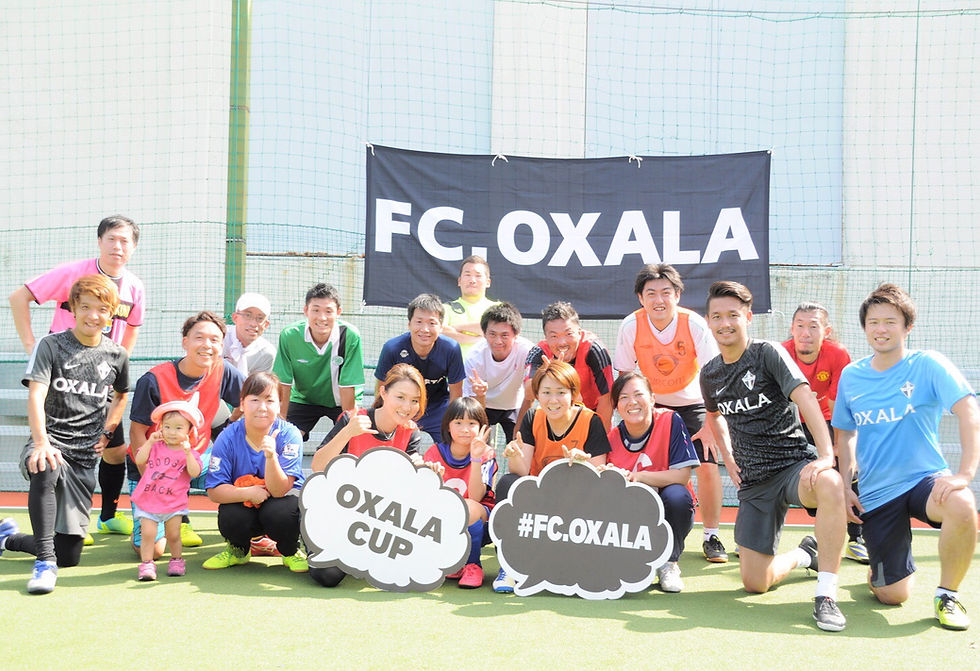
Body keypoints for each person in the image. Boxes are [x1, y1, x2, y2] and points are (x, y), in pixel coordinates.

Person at [700, 281, 848, 632]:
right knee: (755, 583)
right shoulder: (710, 374)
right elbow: (714, 417)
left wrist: (826, 456)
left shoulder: (768, 353)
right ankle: (804, 554)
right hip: (754, 482)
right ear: (709, 321)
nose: (725, 323)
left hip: (793, 467)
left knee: (830, 483)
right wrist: (729, 458)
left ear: (748, 317)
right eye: (717, 316)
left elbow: (806, 398)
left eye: (733, 315)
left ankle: (826, 595)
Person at [833, 283, 979, 631]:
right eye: (873, 322)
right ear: (865, 327)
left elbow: (968, 410)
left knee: (962, 503)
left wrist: (964, 474)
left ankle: (947, 595)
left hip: (924, 480)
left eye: (890, 322)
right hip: (877, 493)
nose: (881, 329)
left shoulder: (928, 364)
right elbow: (846, 434)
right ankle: (884, 572)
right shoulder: (852, 375)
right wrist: (845, 485)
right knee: (892, 595)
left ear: (907, 327)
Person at [9, 215, 143, 540]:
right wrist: (31, 344)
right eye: (111, 239)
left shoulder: (135, 287)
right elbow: (18, 297)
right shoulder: (72, 273)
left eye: (125, 241)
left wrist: (116, 365)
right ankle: (61, 527)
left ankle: (107, 517)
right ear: (99, 241)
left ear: (133, 247)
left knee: (113, 449)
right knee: (56, 449)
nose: (118, 246)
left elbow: (132, 330)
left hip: (101, 382)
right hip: (64, 379)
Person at [0, 275, 129, 594]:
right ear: (73, 308)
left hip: (84, 459)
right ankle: (45, 563)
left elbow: (121, 395)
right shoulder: (51, 345)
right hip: (50, 442)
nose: (93, 315)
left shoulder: (117, 355)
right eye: (85, 307)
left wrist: (109, 430)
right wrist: (41, 442)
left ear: (111, 314)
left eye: (101, 309)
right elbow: (36, 394)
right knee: (46, 463)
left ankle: (8, 538)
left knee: (69, 554)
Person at [614, 263, 728, 563]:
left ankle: (711, 535)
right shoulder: (631, 325)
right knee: (640, 468)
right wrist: (630, 413)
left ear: (677, 295)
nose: (659, 300)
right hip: (651, 406)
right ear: (641, 298)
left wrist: (710, 423)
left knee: (707, 465)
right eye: (651, 293)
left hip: (694, 403)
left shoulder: (694, 324)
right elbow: (624, 375)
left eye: (666, 292)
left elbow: (714, 375)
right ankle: (635, 531)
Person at [128, 311, 245, 554]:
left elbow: (253, 399)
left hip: (195, 459)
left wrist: (234, 424)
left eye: (214, 340)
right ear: (185, 342)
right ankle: (147, 526)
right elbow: (137, 432)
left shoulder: (222, 370)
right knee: (154, 551)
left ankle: (246, 536)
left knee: (241, 475)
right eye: (199, 338)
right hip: (153, 467)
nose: (207, 345)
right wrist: (151, 478)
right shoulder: (153, 380)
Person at [495, 359, 611, 592]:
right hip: (541, 499)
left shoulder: (591, 421)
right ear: (537, 395)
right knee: (507, 482)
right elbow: (521, 472)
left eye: (561, 392)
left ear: (573, 394)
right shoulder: (532, 417)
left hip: (576, 501)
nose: (553, 400)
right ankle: (508, 564)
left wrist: (583, 463)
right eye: (546, 392)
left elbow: (600, 476)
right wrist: (514, 455)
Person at [309, 363, 428, 587]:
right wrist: (347, 433)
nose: (407, 407)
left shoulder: (411, 433)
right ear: (383, 392)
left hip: (375, 520)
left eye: (415, 400)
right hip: (336, 512)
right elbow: (318, 466)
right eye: (400, 397)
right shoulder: (353, 420)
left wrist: (420, 472)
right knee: (328, 574)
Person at [782, 302, 866, 563]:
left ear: (826, 331)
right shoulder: (781, 353)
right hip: (791, 423)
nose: (805, 333)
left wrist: (838, 445)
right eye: (800, 326)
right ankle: (758, 540)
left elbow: (837, 403)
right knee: (776, 474)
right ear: (792, 329)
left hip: (828, 421)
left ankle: (856, 539)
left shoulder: (837, 354)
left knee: (848, 471)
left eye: (813, 326)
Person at [203, 372, 308, 573]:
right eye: (255, 400)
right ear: (242, 404)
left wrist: (271, 457)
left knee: (283, 512)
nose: (262, 407)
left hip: (279, 501)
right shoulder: (227, 436)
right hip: (245, 501)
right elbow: (214, 491)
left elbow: (279, 491)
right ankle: (238, 551)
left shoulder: (290, 434)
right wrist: (248, 493)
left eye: (269, 400)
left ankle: (290, 551)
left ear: (279, 405)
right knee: (231, 514)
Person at [604, 372, 700, 592]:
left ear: (652, 398)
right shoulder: (612, 439)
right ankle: (630, 559)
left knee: (677, 496)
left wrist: (639, 476)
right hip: (634, 514)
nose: (632, 402)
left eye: (638, 394)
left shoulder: (670, 420)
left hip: (669, 508)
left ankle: (669, 563)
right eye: (624, 397)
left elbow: (682, 476)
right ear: (617, 406)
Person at [423, 397, 498, 589]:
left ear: (481, 427)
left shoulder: (486, 453)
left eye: (471, 423)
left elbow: (475, 497)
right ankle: (455, 562)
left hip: (480, 523)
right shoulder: (434, 452)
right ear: (448, 426)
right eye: (458, 422)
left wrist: (476, 458)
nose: (465, 429)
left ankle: (473, 565)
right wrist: (433, 479)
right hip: (444, 526)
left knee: (467, 507)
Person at [274, 283, 364, 441]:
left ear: (338, 312)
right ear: (306, 311)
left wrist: (348, 427)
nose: (322, 317)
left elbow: (347, 387)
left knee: (346, 441)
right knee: (283, 439)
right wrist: (280, 421)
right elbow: (284, 383)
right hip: (305, 398)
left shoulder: (350, 336)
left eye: (328, 311)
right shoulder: (289, 335)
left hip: (341, 401)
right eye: (316, 310)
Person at [131, 397, 204, 581]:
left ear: (189, 431)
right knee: (148, 534)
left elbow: (195, 472)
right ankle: (147, 564)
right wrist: (149, 442)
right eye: (167, 427)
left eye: (179, 428)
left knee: (173, 535)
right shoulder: (154, 447)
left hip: (174, 504)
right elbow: (139, 460)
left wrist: (188, 453)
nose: (172, 432)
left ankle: (177, 560)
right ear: (160, 427)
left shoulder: (190, 453)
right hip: (149, 501)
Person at [375, 293, 464, 444]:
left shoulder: (451, 349)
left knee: (452, 445)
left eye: (432, 323)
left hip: (438, 408)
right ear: (409, 324)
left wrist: (454, 423)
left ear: (441, 326)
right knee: (389, 447)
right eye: (419, 322)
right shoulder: (392, 348)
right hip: (402, 406)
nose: (425, 329)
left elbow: (456, 394)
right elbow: (381, 390)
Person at [520, 301, 614, 431]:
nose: (562, 342)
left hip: (591, 412)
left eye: (568, 334)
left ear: (579, 333)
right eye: (554, 336)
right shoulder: (539, 353)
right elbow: (529, 394)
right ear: (546, 337)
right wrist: (549, 372)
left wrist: (599, 435)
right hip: (554, 411)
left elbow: (607, 398)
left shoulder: (595, 350)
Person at [463, 302, 534, 441]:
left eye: (505, 335)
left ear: (516, 334)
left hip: (515, 405)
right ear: (484, 334)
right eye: (492, 334)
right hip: (483, 404)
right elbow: (473, 403)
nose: (498, 341)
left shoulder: (528, 352)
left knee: (520, 443)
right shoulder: (474, 357)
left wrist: (519, 428)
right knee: (478, 443)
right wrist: (480, 394)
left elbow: (530, 396)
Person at [442, 255, 499, 359]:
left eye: (478, 275)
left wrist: (455, 328)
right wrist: (479, 339)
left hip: (489, 368)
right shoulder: (445, 308)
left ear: (488, 282)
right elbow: (440, 333)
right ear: (459, 281)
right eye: (467, 275)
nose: (472, 280)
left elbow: (496, 330)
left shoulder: (499, 308)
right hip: (454, 368)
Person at [224, 292, 276, 376]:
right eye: (247, 315)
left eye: (260, 318)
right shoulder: (218, 338)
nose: (253, 324)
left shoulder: (266, 353)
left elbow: (257, 384)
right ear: (235, 317)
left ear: (266, 325)